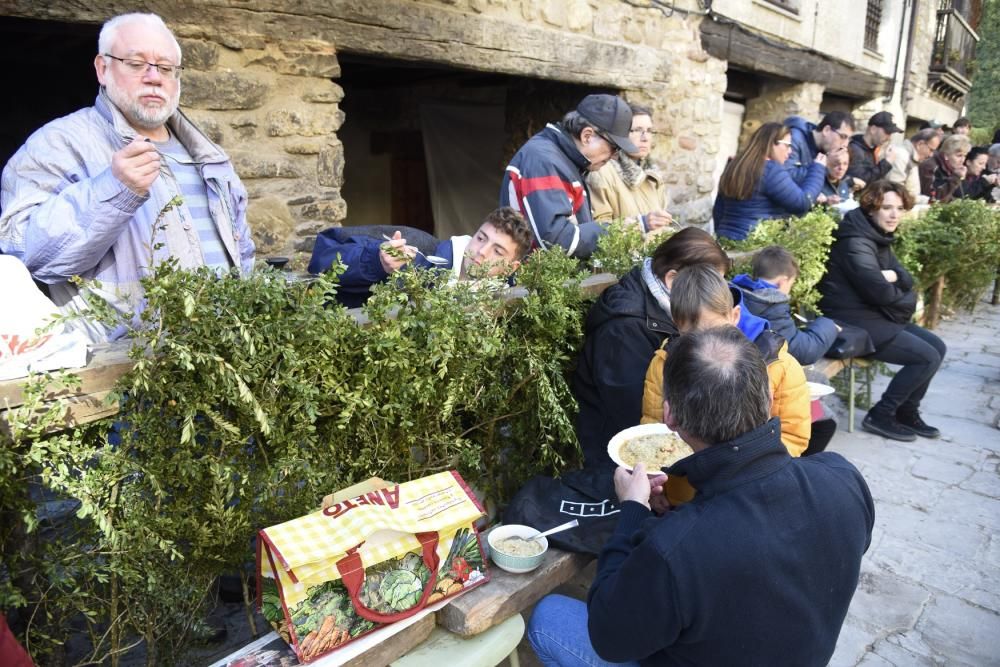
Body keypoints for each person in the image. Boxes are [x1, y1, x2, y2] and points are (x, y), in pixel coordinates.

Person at [528, 326, 874, 667]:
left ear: (670, 417)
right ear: (769, 399)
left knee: (549, 618)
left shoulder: (675, 548)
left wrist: (632, 510)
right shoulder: (843, 478)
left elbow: (608, 636)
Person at [0, 12, 255, 342]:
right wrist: (114, 190)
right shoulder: (56, 145)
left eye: (165, 68)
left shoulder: (210, 157)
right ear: (103, 69)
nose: (154, 77)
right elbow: (28, 255)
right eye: (136, 64)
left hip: (221, 365)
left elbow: (243, 255)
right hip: (127, 373)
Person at [640, 264, 812, 505]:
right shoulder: (664, 364)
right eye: (693, 336)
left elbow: (793, 436)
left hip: (751, 494)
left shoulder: (778, 365)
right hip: (683, 495)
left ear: (735, 315)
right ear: (677, 325)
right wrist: (658, 488)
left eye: (713, 329)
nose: (707, 342)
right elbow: (653, 432)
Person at [572, 228, 729, 470]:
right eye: (708, 283)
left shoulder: (668, 308)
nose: (715, 293)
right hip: (619, 456)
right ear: (673, 280)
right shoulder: (624, 329)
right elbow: (631, 414)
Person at [818, 181, 946, 441]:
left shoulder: (876, 236)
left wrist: (894, 280)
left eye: (899, 208)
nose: (894, 214)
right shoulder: (855, 241)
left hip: (874, 314)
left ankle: (906, 411)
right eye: (887, 207)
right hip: (852, 321)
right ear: (871, 208)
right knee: (926, 357)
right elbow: (882, 292)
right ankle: (882, 414)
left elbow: (904, 277)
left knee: (938, 347)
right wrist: (900, 289)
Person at [307, 207, 534, 307]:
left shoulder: (507, 300)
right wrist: (375, 261)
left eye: (498, 251)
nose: (482, 252)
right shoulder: (417, 250)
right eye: (481, 238)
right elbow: (322, 257)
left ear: (510, 268)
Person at [500, 94, 638, 258]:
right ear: (587, 136)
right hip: (528, 279)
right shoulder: (544, 160)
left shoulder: (565, 161)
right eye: (614, 147)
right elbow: (555, 241)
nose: (615, 156)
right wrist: (611, 231)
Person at [713, 122, 826, 241]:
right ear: (771, 143)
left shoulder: (734, 165)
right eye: (787, 145)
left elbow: (719, 210)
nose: (790, 151)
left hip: (725, 241)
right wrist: (818, 169)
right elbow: (802, 203)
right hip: (753, 245)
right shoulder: (770, 169)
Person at [731, 246, 839, 365]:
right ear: (783, 281)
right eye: (791, 284)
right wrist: (829, 325)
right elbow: (802, 352)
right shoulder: (771, 306)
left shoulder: (734, 293)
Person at [587, 104, 676, 236]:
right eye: (637, 130)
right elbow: (598, 233)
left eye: (649, 130)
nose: (645, 138)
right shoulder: (602, 172)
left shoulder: (654, 176)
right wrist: (641, 224)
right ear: (620, 134)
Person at [783, 110, 854, 184]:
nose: (845, 144)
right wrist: (822, 164)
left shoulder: (825, 149)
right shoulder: (794, 138)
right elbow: (785, 178)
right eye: (843, 137)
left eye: (849, 139)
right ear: (826, 130)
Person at [847, 111, 903, 185]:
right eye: (887, 132)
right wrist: (886, 163)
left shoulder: (871, 149)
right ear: (873, 129)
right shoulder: (855, 149)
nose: (889, 138)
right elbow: (860, 182)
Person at [886, 128, 941, 200]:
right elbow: (894, 189)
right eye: (931, 150)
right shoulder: (901, 155)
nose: (931, 155)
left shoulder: (912, 157)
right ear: (920, 144)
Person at [919, 133, 971, 202]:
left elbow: (959, 195)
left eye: (965, 156)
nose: (962, 160)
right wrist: (956, 177)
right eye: (959, 156)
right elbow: (933, 198)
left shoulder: (950, 167)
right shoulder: (931, 167)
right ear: (946, 155)